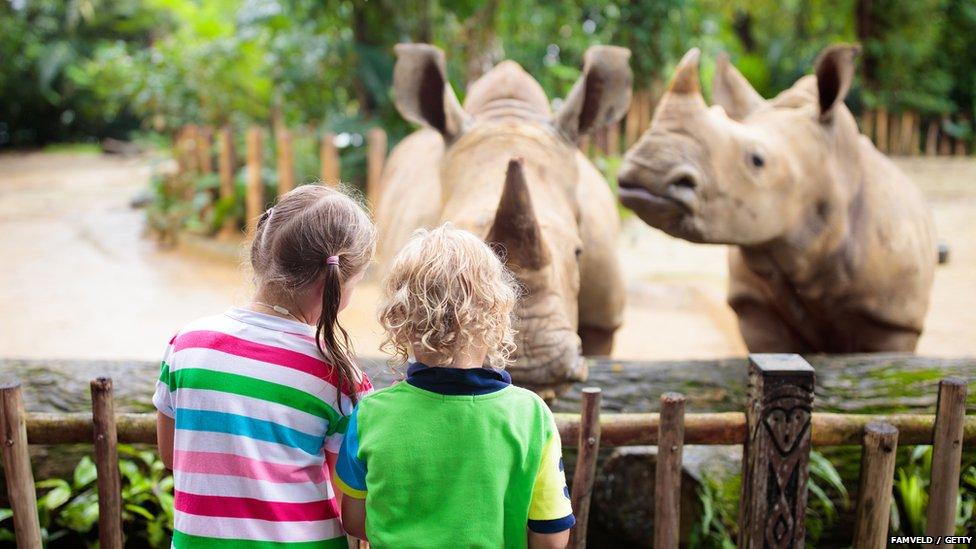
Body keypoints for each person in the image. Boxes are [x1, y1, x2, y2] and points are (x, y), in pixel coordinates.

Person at [153, 185, 376, 548]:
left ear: (261, 253)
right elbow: (347, 501)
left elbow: (170, 453)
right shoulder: (340, 375)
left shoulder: (186, 343)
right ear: (333, 283)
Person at [336, 225, 575, 548]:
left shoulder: (370, 414)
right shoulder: (531, 416)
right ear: (496, 313)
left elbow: (355, 520)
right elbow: (552, 539)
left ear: (400, 318)